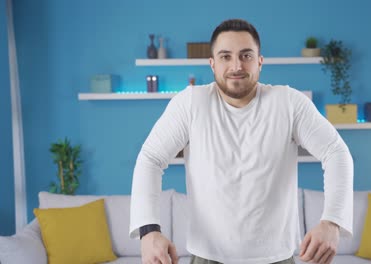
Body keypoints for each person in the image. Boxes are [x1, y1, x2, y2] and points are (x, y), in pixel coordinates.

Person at [130, 18, 353, 264]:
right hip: (207, 257)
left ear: (260, 62)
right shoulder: (191, 103)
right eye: (226, 56)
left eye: (246, 55)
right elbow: (151, 158)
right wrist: (148, 231)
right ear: (212, 64)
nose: (236, 65)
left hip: (277, 258)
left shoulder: (288, 103)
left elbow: (335, 152)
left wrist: (332, 222)